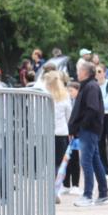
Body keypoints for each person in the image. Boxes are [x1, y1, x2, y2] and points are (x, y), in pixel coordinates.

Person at [68, 60, 108, 207]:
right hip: (88, 130)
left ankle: (88, 195)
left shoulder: (91, 87)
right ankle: (104, 194)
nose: (77, 72)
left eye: (79, 70)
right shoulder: (88, 86)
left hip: (89, 130)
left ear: (85, 72)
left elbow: (92, 109)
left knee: (86, 162)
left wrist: (81, 127)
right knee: (94, 161)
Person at [44, 70, 73, 201]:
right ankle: (58, 189)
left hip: (47, 133)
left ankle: (51, 188)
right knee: (60, 164)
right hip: (61, 132)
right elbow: (69, 115)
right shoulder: (65, 96)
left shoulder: (43, 96)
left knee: (48, 163)